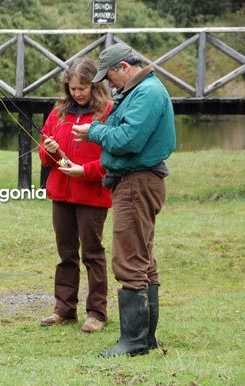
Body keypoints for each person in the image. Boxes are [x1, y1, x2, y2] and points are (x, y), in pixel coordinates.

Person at [72, 43, 176, 357]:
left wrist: (94, 132)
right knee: (143, 259)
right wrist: (103, 129)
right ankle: (145, 339)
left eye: (110, 77)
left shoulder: (146, 93)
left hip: (136, 182)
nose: (109, 84)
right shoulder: (141, 91)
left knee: (130, 260)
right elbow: (122, 132)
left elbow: (128, 140)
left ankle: (133, 342)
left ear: (124, 67)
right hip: (138, 181)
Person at [38, 58, 114, 333]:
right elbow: (44, 156)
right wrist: (49, 148)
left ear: (94, 85)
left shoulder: (108, 112)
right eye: (72, 88)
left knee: (92, 253)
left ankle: (97, 313)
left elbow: (112, 158)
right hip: (62, 194)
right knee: (66, 253)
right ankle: (64, 308)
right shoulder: (58, 111)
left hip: (92, 194)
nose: (77, 93)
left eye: (82, 87)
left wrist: (86, 171)